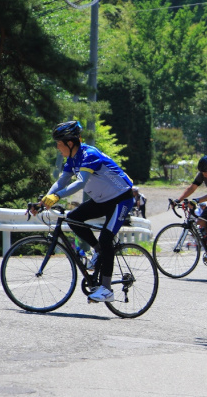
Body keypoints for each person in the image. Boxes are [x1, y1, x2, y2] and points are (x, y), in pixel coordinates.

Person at [38, 120, 135, 303]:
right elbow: (62, 181)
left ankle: (106, 290)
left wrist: (57, 197)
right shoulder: (72, 158)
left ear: (70, 142)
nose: (58, 147)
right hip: (102, 200)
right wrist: (43, 200)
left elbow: (80, 182)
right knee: (73, 218)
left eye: (59, 143)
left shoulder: (89, 155)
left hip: (121, 199)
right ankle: (99, 252)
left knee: (106, 238)